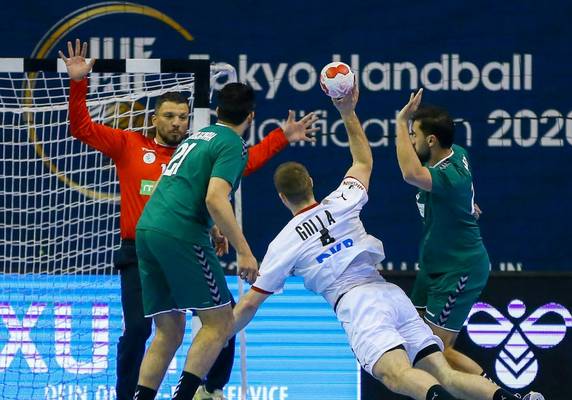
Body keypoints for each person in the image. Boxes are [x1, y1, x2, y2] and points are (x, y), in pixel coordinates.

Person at [230, 85, 544, 400]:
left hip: (359, 305)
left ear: (282, 198)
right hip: (390, 294)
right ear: (310, 183)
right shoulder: (343, 200)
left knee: (397, 375)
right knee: (444, 373)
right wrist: (347, 112)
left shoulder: (283, 242)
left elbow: (249, 304)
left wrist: (219, 333)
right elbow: (363, 160)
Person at [59, 39, 317, 400]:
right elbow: (217, 191)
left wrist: (279, 139)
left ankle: (208, 390)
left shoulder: (194, 144)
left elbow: (234, 170)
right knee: (190, 323)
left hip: (157, 238)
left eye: (183, 116)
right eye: (169, 116)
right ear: (154, 119)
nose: (177, 122)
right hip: (155, 245)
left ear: (198, 116)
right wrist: (78, 83)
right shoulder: (133, 145)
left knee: (178, 327)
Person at [394, 88, 493, 378]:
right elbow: (459, 193)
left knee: (436, 349)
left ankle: (501, 395)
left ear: (431, 140)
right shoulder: (455, 154)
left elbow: (410, 173)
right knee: (413, 339)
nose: (411, 140)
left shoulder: (450, 177)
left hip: (459, 269)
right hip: (433, 267)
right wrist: (467, 206)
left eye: (414, 135)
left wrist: (400, 122)